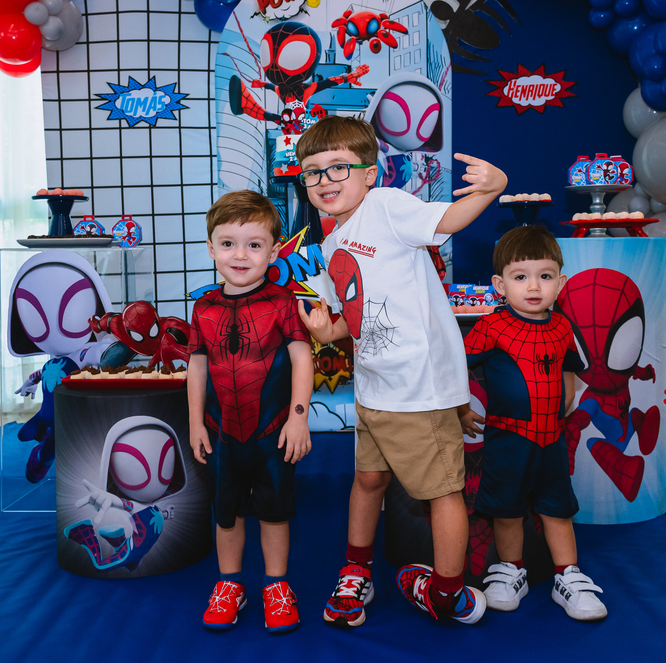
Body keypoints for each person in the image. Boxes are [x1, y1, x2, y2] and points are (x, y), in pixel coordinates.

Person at [294, 115, 507, 627]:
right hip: (374, 389)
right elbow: (353, 319)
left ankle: (448, 593)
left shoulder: (386, 207)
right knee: (368, 480)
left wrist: (493, 188)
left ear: (370, 173)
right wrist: (325, 329)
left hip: (416, 390)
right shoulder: (332, 242)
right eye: (313, 171)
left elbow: (448, 221)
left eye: (338, 167)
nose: (324, 180)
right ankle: (356, 570)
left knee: (441, 492)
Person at [463, 225, 607, 621]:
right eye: (520, 276)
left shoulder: (562, 326)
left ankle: (568, 575)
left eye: (544, 276)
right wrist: (459, 408)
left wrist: (568, 394)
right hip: (507, 439)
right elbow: (456, 366)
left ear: (560, 282)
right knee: (507, 509)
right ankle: (511, 571)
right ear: (499, 284)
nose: (533, 286)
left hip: (552, 439)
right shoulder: (491, 326)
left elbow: (570, 366)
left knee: (558, 508)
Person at [186, 190, 314, 634]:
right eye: (228, 244)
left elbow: (302, 358)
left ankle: (276, 585)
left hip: (273, 431)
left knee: (275, 512)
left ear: (274, 251)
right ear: (211, 248)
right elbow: (197, 366)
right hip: (221, 432)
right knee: (227, 513)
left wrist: (298, 416)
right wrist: (195, 422)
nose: (240, 255)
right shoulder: (203, 308)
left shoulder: (283, 302)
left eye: (254, 245)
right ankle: (230, 584)